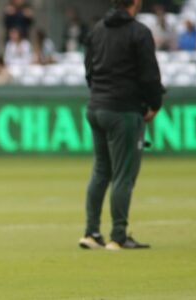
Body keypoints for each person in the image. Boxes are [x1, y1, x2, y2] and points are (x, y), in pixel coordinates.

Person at [80, 0, 164, 250]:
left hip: (96, 106)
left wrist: (98, 94)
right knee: (123, 174)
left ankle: (91, 233)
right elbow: (150, 74)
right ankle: (118, 235)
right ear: (135, 2)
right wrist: (154, 104)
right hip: (123, 110)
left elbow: (88, 70)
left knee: (101, 170)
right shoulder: (139, 32)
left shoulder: (97, 30)